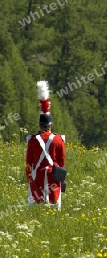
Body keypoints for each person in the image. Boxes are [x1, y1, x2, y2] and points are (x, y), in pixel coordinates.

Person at [26, 81, 66, 210]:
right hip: (54, 175)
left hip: (37, 174)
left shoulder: (32, 140)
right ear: (51, 125)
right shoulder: (59, 140)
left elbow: (29, 162)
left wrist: (30, 178)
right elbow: (61, 161)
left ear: (39, 125)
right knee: (54, 204)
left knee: (35, 205)